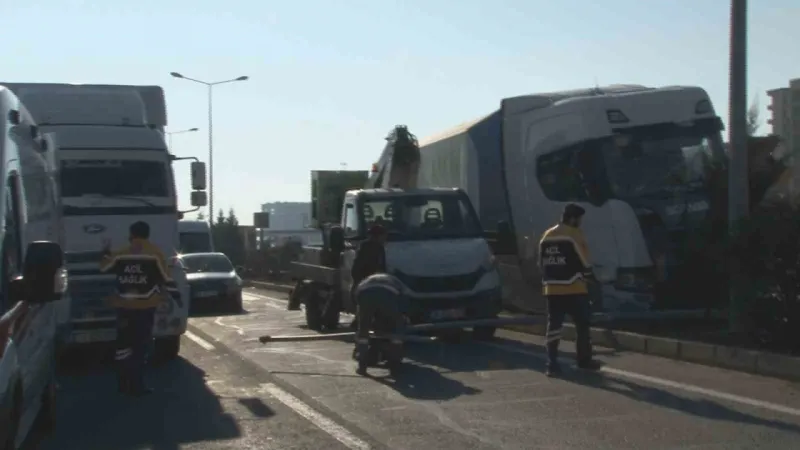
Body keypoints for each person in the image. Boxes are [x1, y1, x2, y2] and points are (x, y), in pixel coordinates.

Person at [100, 221, 171, 396]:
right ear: (147, 235)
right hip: (146, 308)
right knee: (141, 347)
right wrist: (173, 297)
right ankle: (137, 385)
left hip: (124, 308)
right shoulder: (155, 254)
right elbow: (166, 279)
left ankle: (122, 383)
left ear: (132, 235)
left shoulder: (121, 254)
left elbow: (104, 268)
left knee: (123, 346)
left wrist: (105, 252)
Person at [538, 203, 602, 376]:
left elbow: (541, 263)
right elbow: (585, 263)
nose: (581, 222)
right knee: (582, 325)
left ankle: (551, 364)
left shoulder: (546, 236)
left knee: (554, 327)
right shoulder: (574, 235)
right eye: (580, 219)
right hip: (574, 288)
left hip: (552, 289)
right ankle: (584, 360)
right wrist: (593, 280)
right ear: (573, 218)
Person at [348, 224, 388, 330]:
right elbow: (361, 266)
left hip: (368, 279)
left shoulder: (376, 247)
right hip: (366, 279)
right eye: (383, 236)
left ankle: (361, 324)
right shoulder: (369, 247)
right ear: (378, 236)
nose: (385, 238)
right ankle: (360, 325)